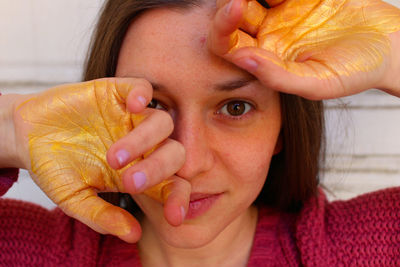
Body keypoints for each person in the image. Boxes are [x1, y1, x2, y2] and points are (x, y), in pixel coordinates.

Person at [0, 0, 399, 265]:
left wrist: (394, 52)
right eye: (151, 106)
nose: (187, 163)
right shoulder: (30, 250)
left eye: (235, 108)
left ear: (283, 127)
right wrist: (10, 131)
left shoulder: (367, 248)